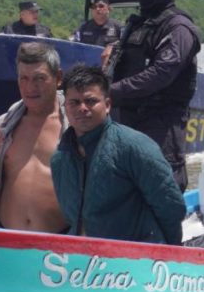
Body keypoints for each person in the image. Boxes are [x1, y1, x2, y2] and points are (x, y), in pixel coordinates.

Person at [51, 64, 187, 245]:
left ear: (107, 105)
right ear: (65, 106)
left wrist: (170, 254)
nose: (82, 108)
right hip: (85, 262)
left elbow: (171, 207)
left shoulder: (134, 146)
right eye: (74, 102)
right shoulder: (60, 158)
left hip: (135, 261)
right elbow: (72, 217)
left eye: (91, 101)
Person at [107, 0, 202, 190]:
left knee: (160, 193)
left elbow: (161, 73)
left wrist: (111, 92)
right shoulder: (137, 25)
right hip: (125, 122)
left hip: (160, 125)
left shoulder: (178, 27)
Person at [0, 42, 70, 232]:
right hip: (7, 239)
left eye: (39, 78)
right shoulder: (3, 126)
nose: (30, 87)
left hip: (57, 246)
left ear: (58, 77)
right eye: (23, 78)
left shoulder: (74, 127)